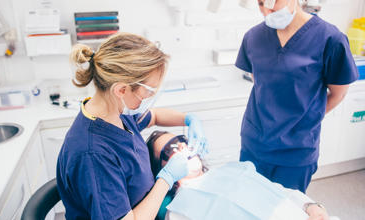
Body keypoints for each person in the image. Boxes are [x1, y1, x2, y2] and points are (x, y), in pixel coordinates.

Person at [56, 32, 208, 220]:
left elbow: (155, 116)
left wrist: (189, 119)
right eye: (149, 91)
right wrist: (166, 179)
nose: (150, 98)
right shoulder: (93, 155)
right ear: (121, 89)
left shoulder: (115, 112)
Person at [235, 0, 359, 192]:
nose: (267, 10)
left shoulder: (330, 39)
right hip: (254, 144)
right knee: (249, 205)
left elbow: (338, 93)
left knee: (286, 211)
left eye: (272, 1)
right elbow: (259, 82)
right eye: (260, 3)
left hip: (295, 153)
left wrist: (305, 119)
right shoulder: (253, 37)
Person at [146, 131, 330, 220]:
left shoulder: (234, 169)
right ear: (162, 169)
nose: (181, 147)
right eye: (170, 148)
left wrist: (310, 205)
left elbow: (280, 191)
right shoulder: (179, 210)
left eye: (181, 140)